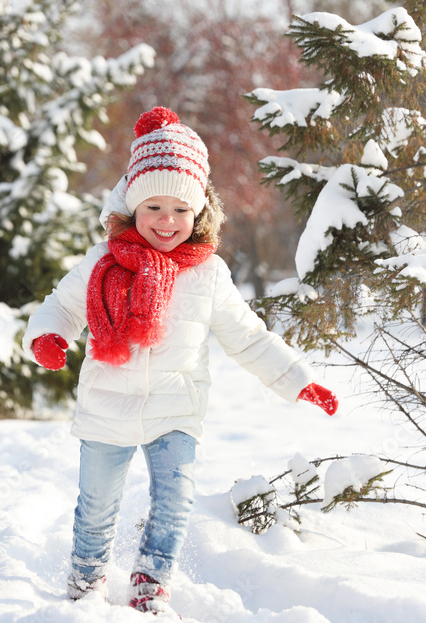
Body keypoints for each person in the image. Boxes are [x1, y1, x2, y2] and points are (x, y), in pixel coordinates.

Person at [22, 106, 337, 615]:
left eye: (180, 210)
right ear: (130, 209)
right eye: (154, 208)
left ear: (199, 215)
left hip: (177, 409)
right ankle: (86, 578)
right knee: (98, 507)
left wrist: (298, 379)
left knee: (175, 500)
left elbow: (248, 337)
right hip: (106, 408)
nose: (167, 222)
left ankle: (151, 582)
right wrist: (48, 338)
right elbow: (59, 307)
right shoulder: (101, 264)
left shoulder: (208, 274)